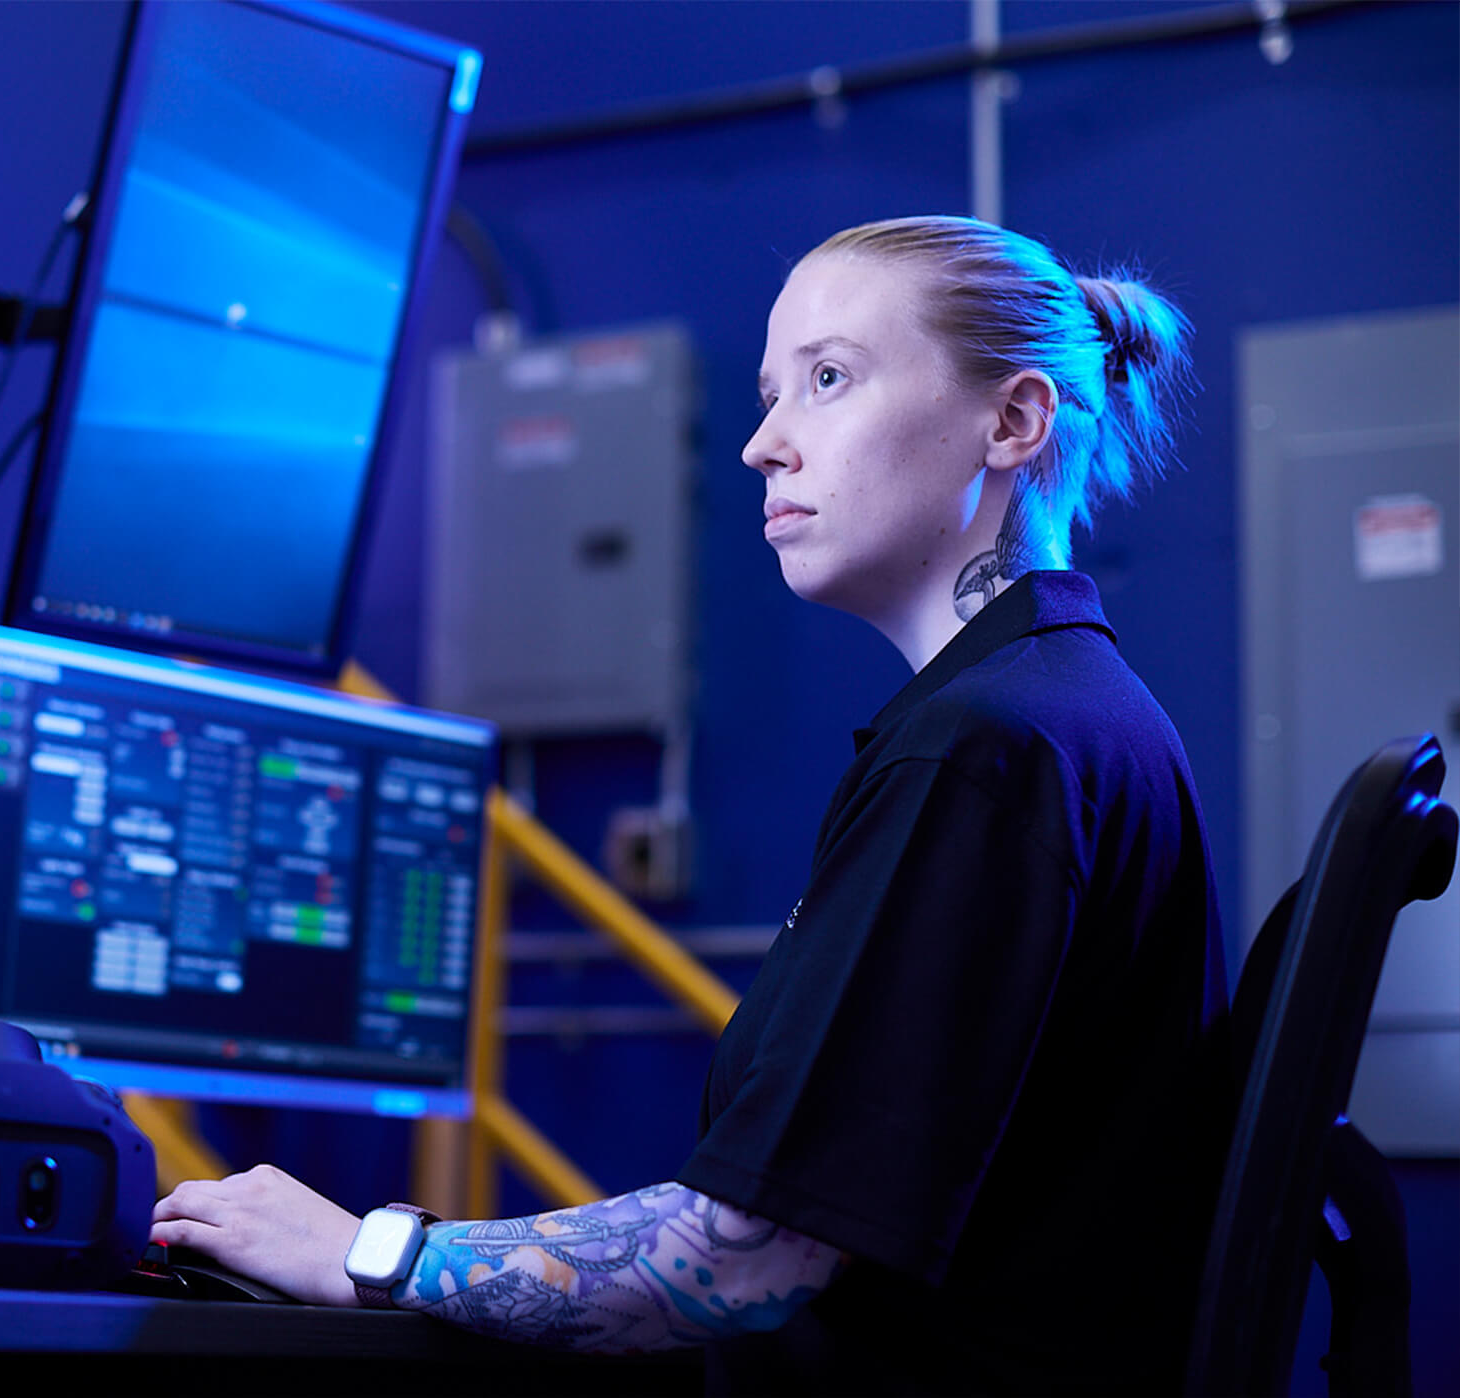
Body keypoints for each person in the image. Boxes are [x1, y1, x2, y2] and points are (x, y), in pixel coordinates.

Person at [149, 216, 1230, 1395]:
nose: (766, 443)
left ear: (1013, 423)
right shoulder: (1062, 709)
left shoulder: (992, 747)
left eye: (828, 379)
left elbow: (745, 1255)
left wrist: (364, 1250)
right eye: (773, 395)